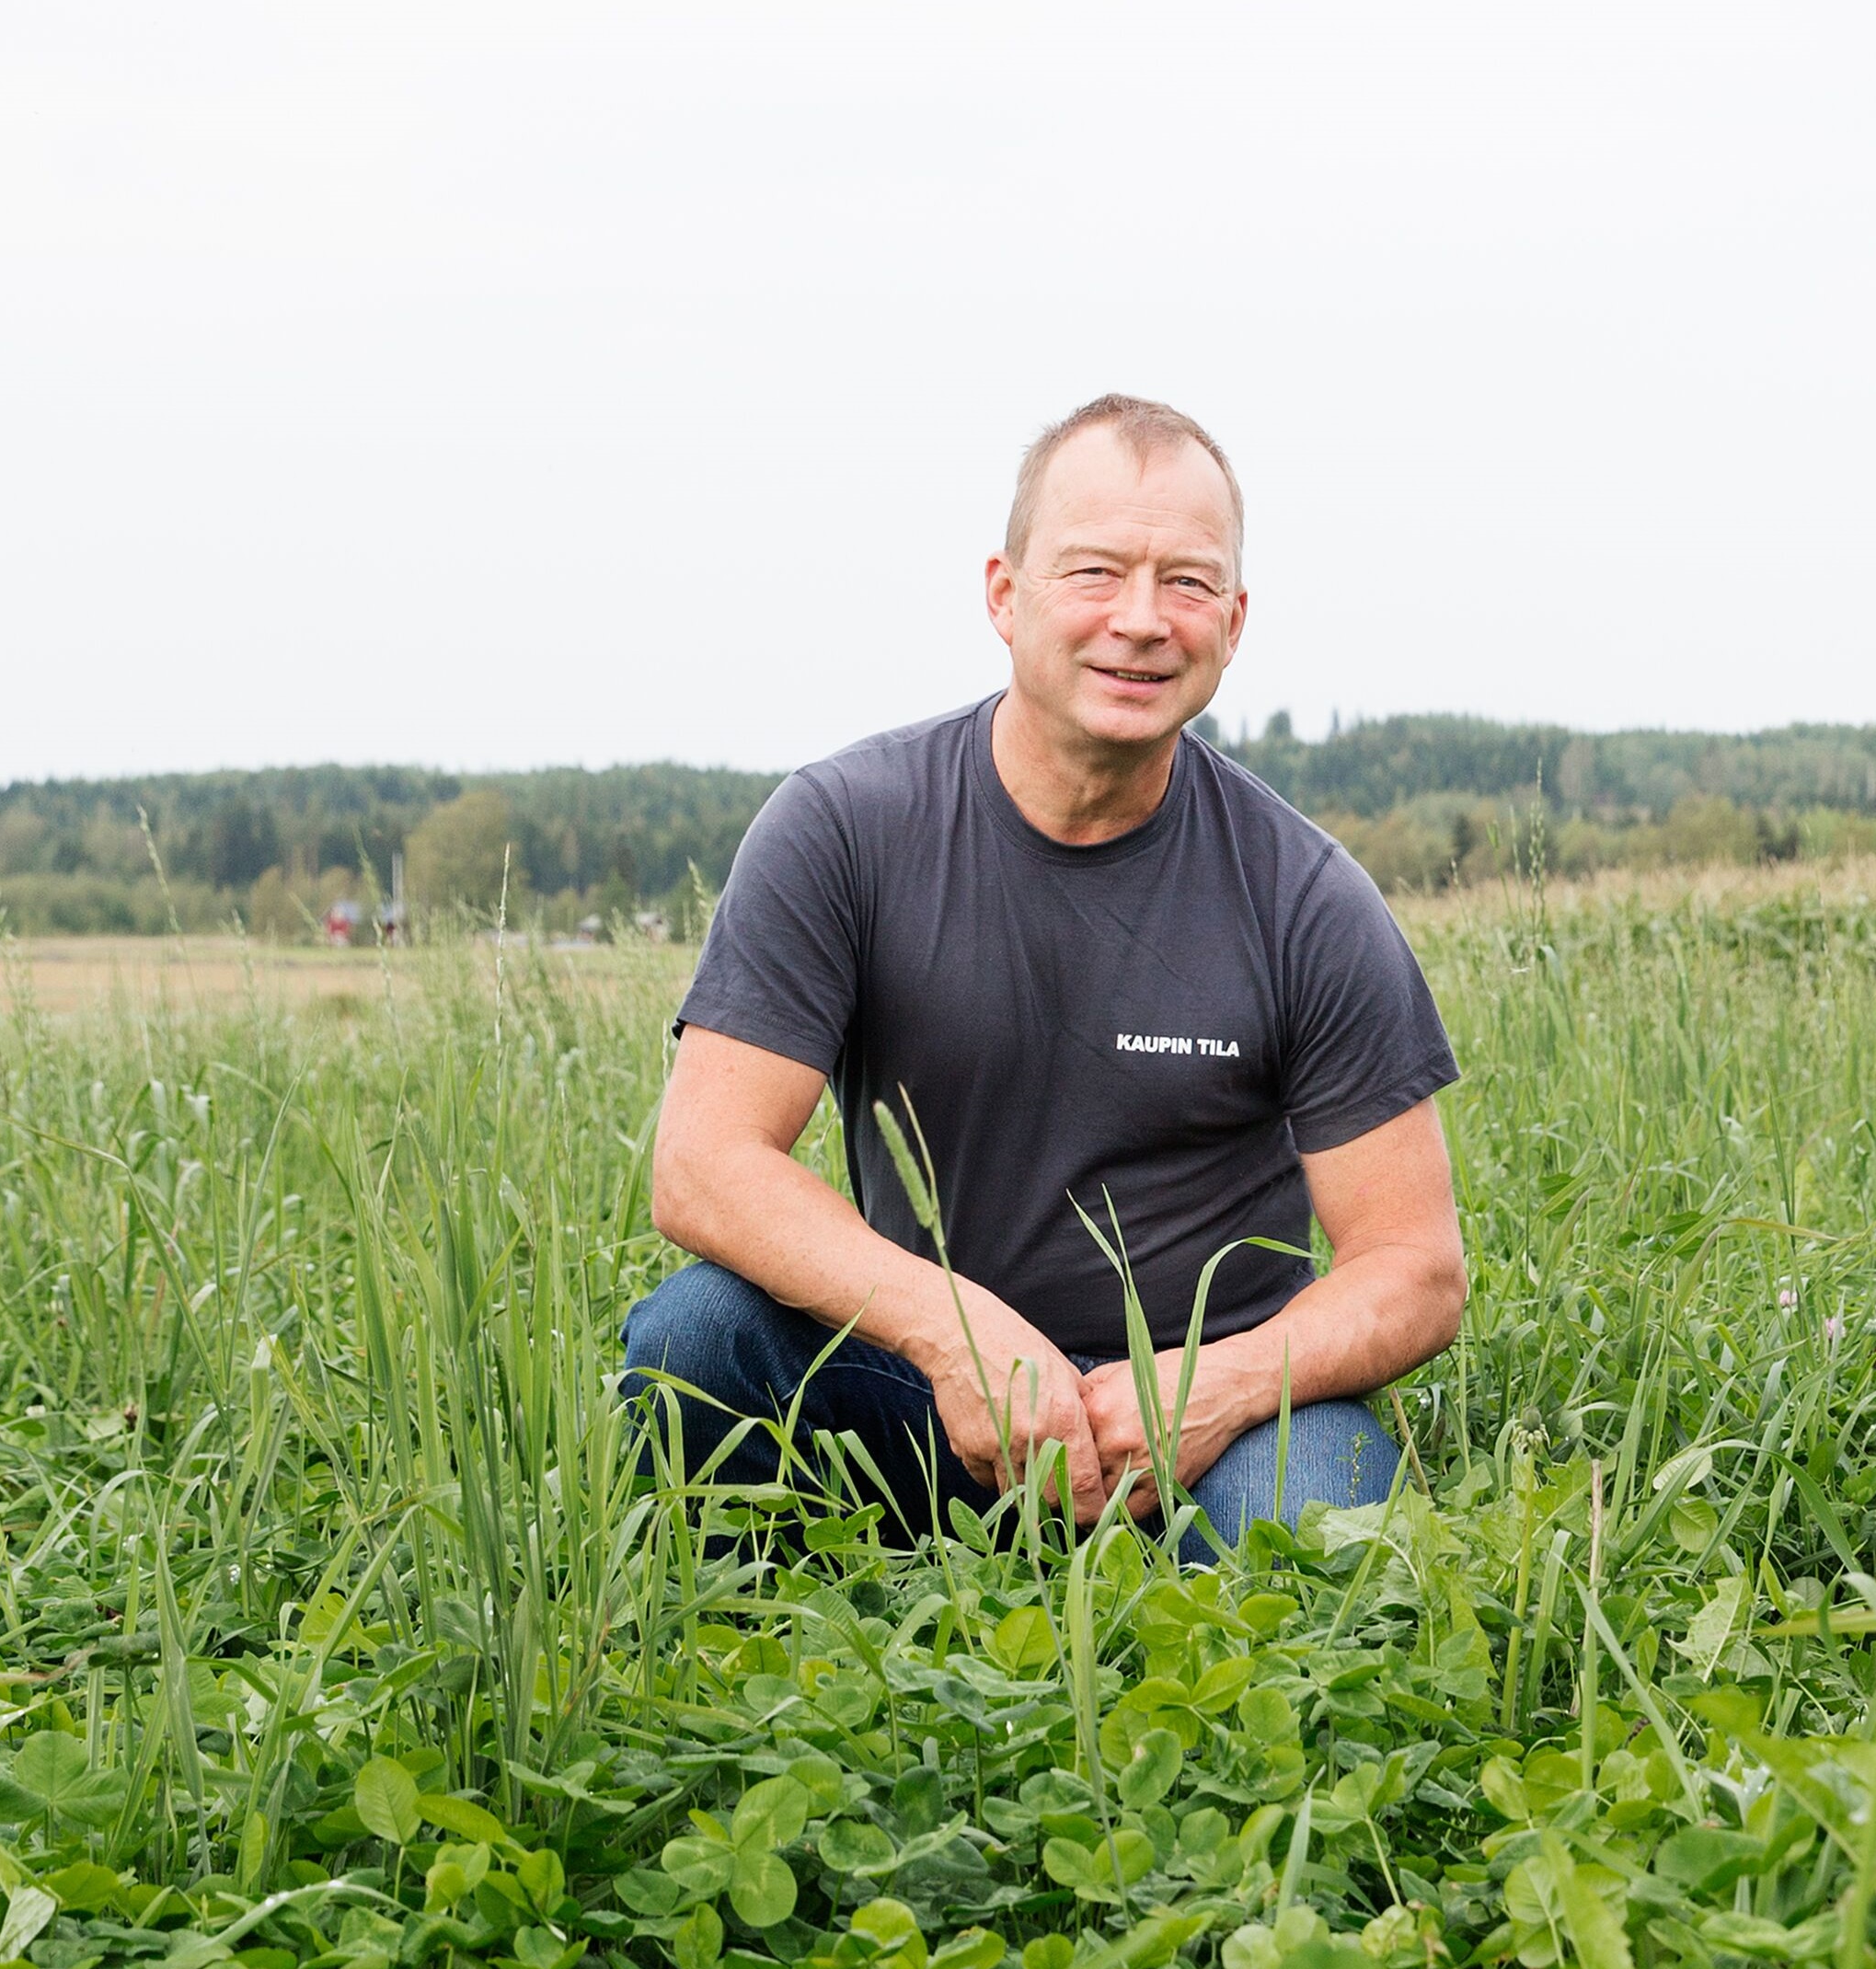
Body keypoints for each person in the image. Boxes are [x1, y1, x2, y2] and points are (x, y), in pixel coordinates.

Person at [624, 394, 1466, 1557]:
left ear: (1235, 617)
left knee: (1310, 1522)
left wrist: (1206, 1391)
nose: (1141, 621)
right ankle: (755, 1658)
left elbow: (1416, 1268)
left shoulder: (1307, 897)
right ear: (1003, 593)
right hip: (922, 1392)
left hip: (1209, 1425)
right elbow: (703, 1165)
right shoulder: (844, 828)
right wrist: (948, 1328)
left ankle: (1195, 1684)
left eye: (1186, 582)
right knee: (698, 1335)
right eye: (1094, 572)